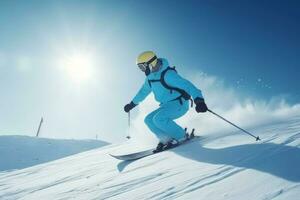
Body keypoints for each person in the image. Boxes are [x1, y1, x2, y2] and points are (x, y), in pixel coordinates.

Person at [124, 51, 208, 152]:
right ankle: (166, 139)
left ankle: (181, 136)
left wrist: (199, 100)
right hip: (166, 105)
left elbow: (187, 85)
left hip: (179, 104)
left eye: (143, 67)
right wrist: (132, 104)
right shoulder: (149, 78)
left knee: (159, 119)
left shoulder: (168, 74)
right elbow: (143, 92)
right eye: (140, 68)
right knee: (148, 120)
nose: (142, 70)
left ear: (151, 63)